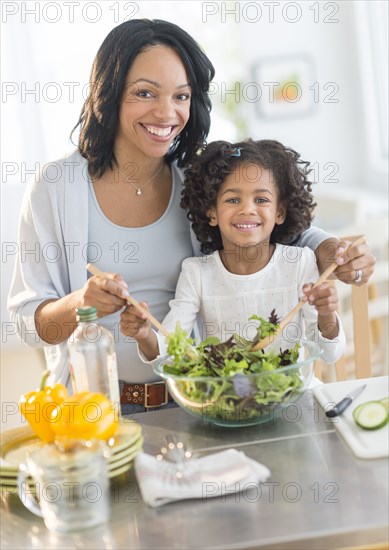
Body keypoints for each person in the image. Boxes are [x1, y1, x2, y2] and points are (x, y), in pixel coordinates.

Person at [8, 20, 374, 413]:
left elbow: (284, 232)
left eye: (181, 96)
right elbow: (30, 324)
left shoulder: (196, 177)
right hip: (97, 408)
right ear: (110, 94)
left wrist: (332, 251)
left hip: (202, 398)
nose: (166, 113)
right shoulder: (56, 186)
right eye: (145, 93)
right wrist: (84, 303)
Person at [122, 139, 346, 370]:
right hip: (229, 402)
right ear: (211, 212)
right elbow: (169, 345)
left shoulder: (300, 263)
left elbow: (330, 353)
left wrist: (326, 313)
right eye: (232, 200)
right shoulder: (197, 273)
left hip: (295, 397)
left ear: (280, 212)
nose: (247, 209)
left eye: (261, 200)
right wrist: (144, 335)